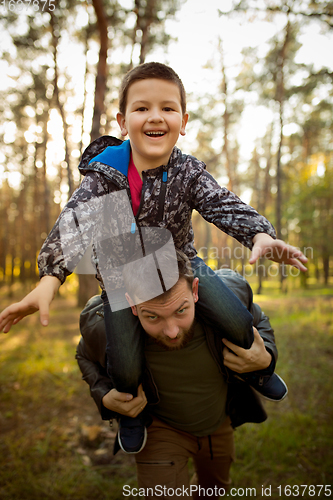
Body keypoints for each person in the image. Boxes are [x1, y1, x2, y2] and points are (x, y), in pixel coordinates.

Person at [0, 62, 306, 454]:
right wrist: (48, 281)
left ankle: (258, 370)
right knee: (126, 366)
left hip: (180, 266)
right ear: (123, 121)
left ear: (183, 121)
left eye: (167, 108)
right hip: (121, 282)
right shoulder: (104, 176)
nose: (155, 116)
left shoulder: (187, 171)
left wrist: (259, 233)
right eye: (142, 108)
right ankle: (132, 412)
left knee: (234, 317)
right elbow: (73, 224)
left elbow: (221, 201)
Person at [76, 248, 284, 498]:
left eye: (180, 311)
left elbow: (258, 318)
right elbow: (84, 355)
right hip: (159, 429)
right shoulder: (105, 327)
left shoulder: (229, 300)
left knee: (215, 490)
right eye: (153, 316)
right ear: (132, 304)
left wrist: (267, 356)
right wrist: (104, 396)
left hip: (217, 424)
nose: (171, 331)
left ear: (195, 291)